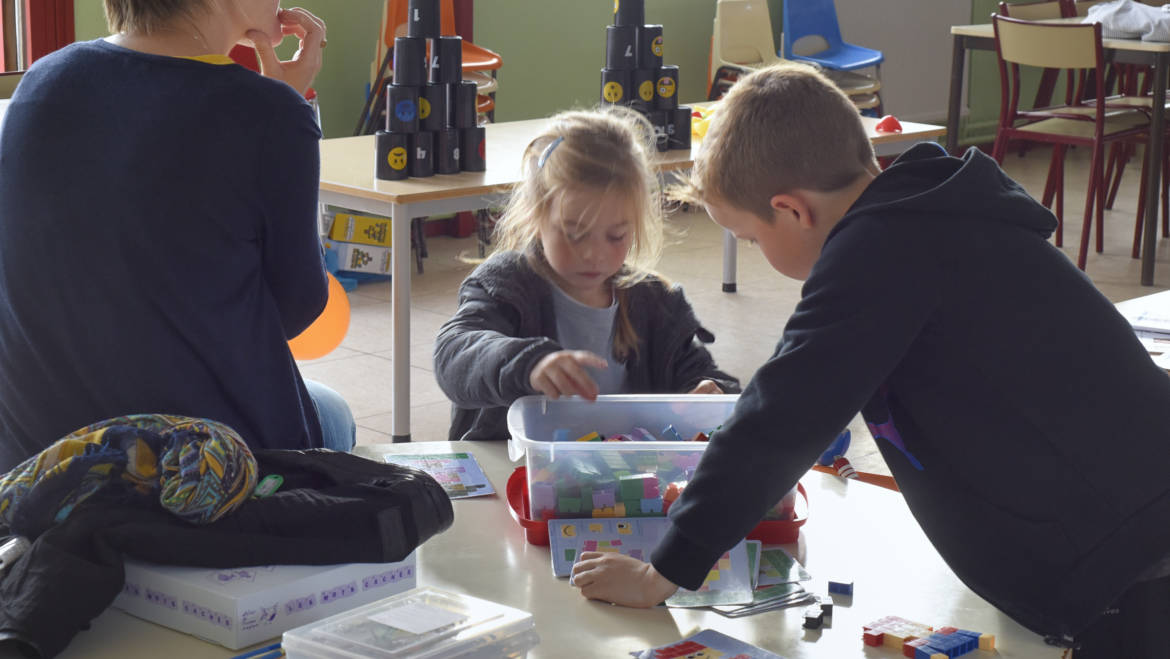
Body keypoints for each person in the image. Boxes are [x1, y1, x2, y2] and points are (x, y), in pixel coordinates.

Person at [569, 63, 1170, 658]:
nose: (753, 251)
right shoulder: (924, 211)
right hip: (1127, 522)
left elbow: (780, 416)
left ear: (793, 210)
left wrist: (663, 571)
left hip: (1129, 557)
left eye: (751, 239)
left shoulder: (878, 253)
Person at [0, 0, 355, 473]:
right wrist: (289, 102)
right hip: (189, 473)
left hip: (38, 466)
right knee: (334, 414)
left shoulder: (43, 80)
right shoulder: (265, 112)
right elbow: (296, 310)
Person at [433, 108, 740, 442]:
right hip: (518, 466)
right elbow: (453, 354)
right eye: (575, 234)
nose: (594, 254)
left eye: (616, 236)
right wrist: (527, 364)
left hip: (625, 470)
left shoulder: (655, 301)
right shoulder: (507, 284)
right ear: (535, 216)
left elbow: (703, 376)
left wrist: (711, 392)